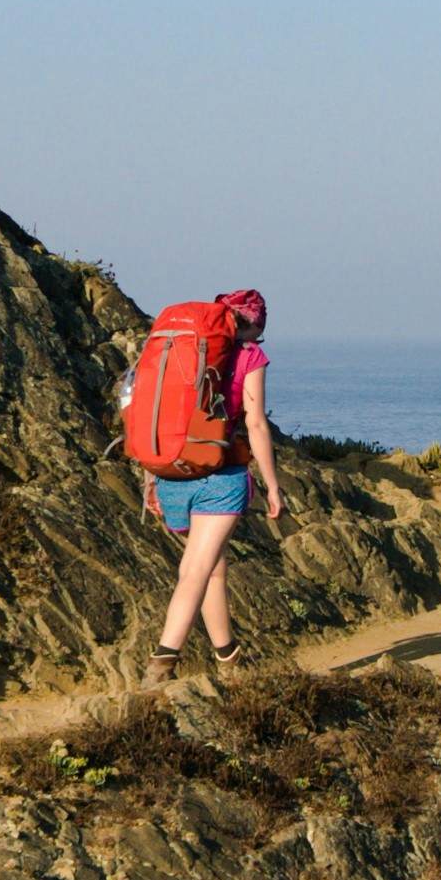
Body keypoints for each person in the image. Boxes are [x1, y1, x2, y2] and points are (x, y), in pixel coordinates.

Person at [137, 288, 282, 678]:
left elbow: (156, 415)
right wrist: (272, 484)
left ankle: (229, 658)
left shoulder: (179, 348)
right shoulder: (250, 356)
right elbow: (255, 423)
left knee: (213, 566)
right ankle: (163, 660)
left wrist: (151, 478)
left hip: (171, 472)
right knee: (197, 569)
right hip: (219, 474)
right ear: (251, 324)